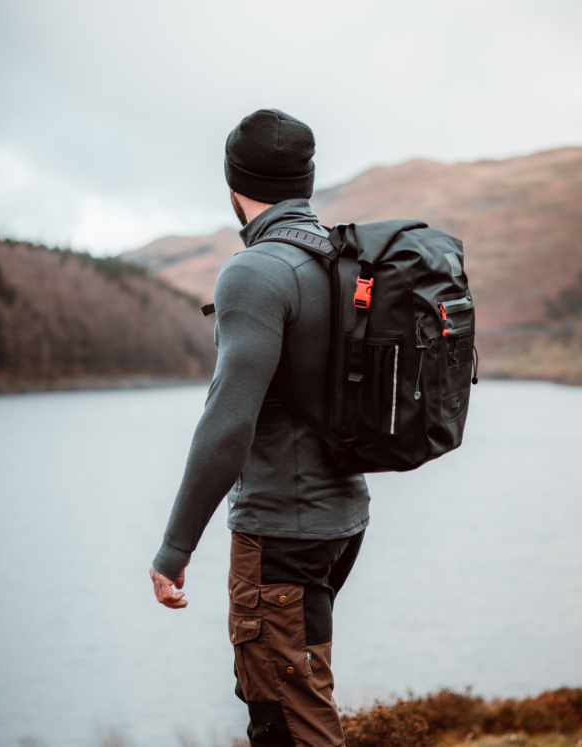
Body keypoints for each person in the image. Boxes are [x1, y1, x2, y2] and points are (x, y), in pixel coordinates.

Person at [149, 108, 370, 746]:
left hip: (281, 531)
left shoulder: (255, 271)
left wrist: (173, 549)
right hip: (343, 519)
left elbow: (228, 422)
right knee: (293, 691)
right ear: (304, 180)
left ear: (233, 184)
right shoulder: (343, 260)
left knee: (288, 721)